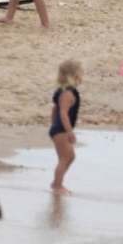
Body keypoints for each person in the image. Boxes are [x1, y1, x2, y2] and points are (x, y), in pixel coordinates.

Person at [49, 60, 81, 192]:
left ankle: (57, 182)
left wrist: (53, 126)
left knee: (70, 157)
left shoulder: (62, 91)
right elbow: (63, 113)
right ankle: (57, 185)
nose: (82, 76)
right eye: (80, 73)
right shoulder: (67, 93)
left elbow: (54, 110)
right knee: (65, 158)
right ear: (73, 76)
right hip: (61, 130)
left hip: (58, 129)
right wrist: (69, 132)